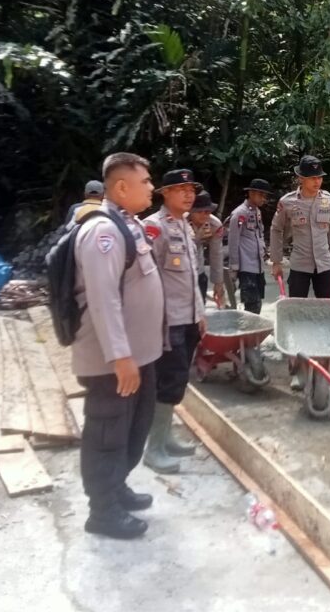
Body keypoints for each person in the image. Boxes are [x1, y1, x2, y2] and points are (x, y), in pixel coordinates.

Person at [72, 153, 163, 539]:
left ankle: (116, 486)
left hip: (138, 355)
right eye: (145, 181)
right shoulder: (102, 233)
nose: (152, 187)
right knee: (107, 433)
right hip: (113, 361)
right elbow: (103, 299)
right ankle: (102, 511)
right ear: (122, 187)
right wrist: (120, 356)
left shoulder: (129, 224)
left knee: (133, 427)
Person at [142, 168, 207, 473]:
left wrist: (200, 314)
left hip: (188, 318)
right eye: (182, 190)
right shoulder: (153, 228)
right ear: (164, 193)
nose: (189, 195)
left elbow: (191, 277)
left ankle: (166, 438)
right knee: (168, 382)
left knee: (178, 380)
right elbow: (145, 278)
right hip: (168, 322)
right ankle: (153, 449)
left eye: (191, 190)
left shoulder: (185, 225)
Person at [270, 155, 330, 389]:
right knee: (297, 317)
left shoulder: (329, 201)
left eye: (319, 177)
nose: (317, 182)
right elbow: (276, 230)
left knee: (328, 315)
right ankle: (298, 368)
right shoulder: (288, 202)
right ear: (300, 178)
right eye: (312, 178)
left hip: (324, 266)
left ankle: (327, 364)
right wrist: (276, 260)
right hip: (300, 266)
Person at [228, 179, 271, 314]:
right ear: (251, 193)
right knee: (252, 305)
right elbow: (233, 240)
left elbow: (259, 234)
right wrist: (234, 267)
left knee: (257, 303)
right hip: (246, 266)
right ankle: (247, 327)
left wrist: (264, 251)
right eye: (261, 194)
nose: (263, 198)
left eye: (265, 195)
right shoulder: (240, 213)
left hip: (258, 266)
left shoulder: (257, 212)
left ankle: (252, 327)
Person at [189, 190, 226, 308]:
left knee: (200, 309)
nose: (204, 215)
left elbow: (216, 253)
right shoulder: (180, 221)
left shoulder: (215, 225)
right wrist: (197, 238)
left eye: (207, 211)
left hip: (199, 270)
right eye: (199, 211)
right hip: (180, 273)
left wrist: (218, 282)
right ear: (191, 210)